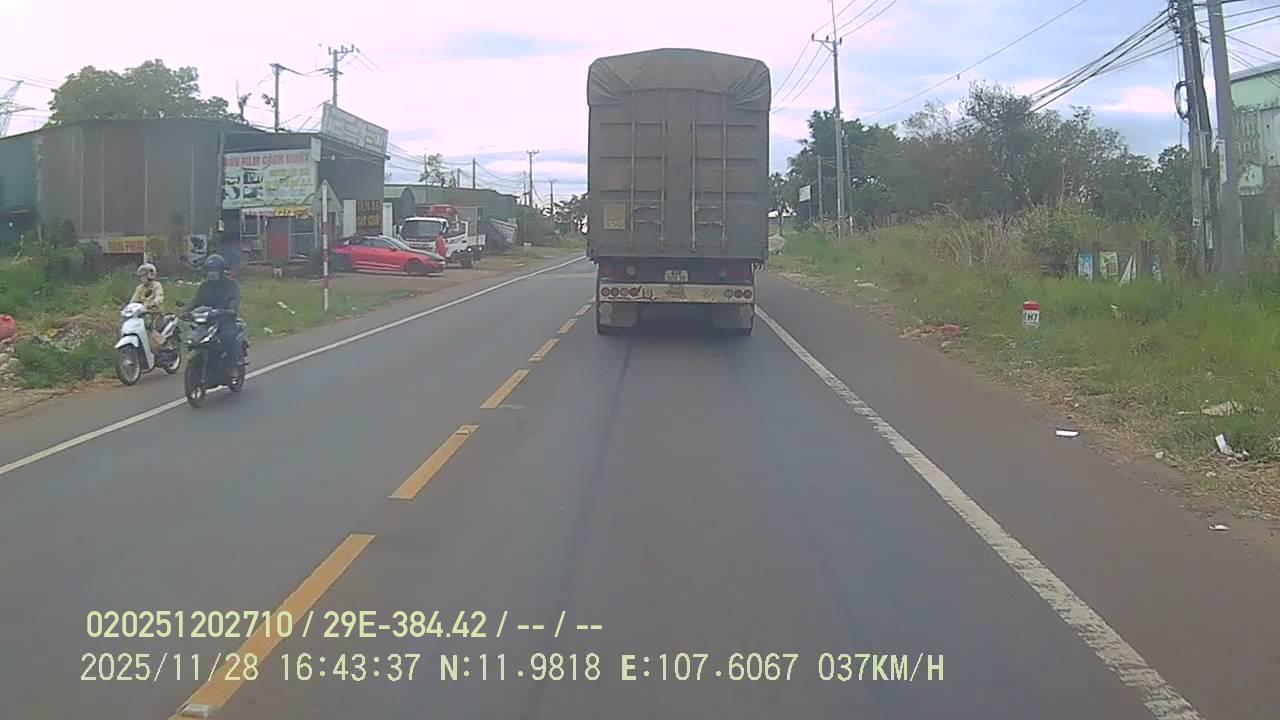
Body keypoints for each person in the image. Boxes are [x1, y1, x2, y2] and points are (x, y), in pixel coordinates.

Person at [185, 254, 242, 375]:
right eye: (209, 270)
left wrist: (230, 310)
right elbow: (196, 302)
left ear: (221, 271)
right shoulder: (204, 286)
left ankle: (232, 365)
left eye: (215, 270)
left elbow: (234, 300)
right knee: (194, 339)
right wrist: (186, 312)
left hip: (225, 319)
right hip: (207, 320)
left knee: (228, 336)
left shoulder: (231, 285)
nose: (212, 273)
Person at [130, 262, 166, 347]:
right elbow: (133, 300)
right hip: (142, 313)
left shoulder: (156, 285)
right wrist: (129, 307)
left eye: (144, 276)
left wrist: (153, 303)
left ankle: (159, 344)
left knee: (149, 326)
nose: (142, 279)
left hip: (155, 313)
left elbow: (160, 297)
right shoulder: (139, 288)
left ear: (150, 275)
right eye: (141, 277)